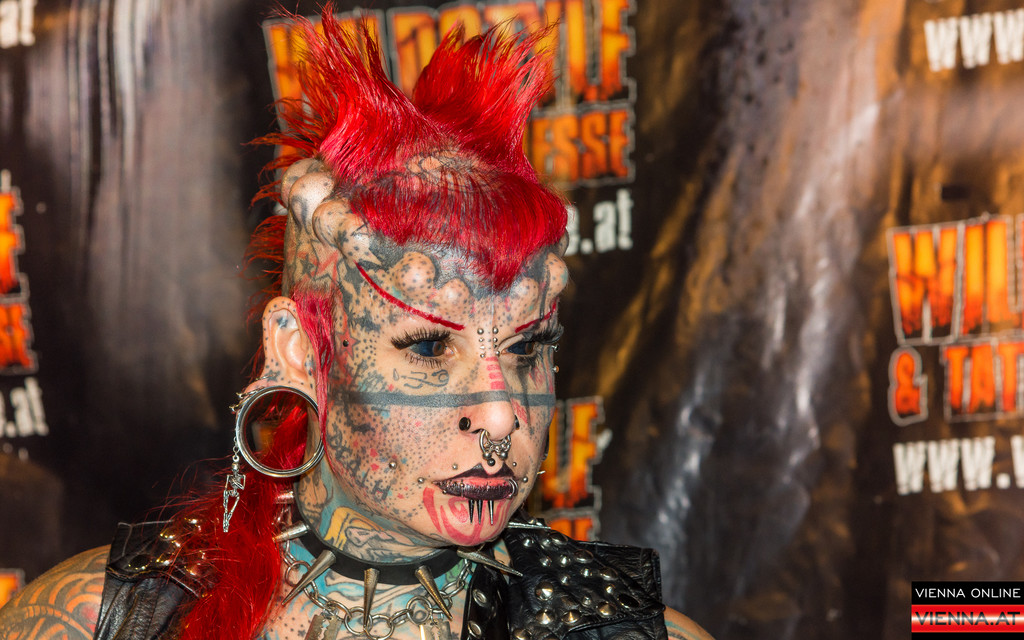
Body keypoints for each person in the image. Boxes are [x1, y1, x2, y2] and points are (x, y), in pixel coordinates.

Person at [0, 6, 713, 640]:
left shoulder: (619, 630)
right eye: (428, 347)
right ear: (299, 352)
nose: (503, 415)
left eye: (528, 349)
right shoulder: (95, 621)